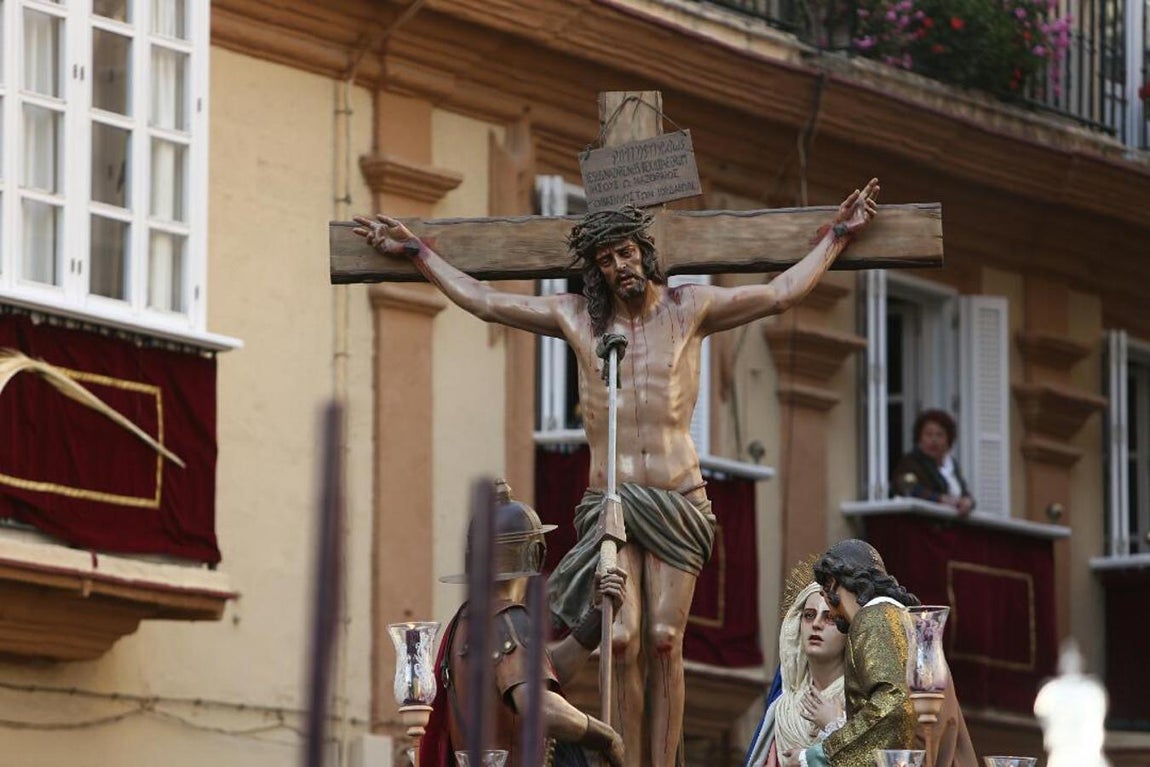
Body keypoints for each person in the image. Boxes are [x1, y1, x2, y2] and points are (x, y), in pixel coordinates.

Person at [355, 178, 880, 767]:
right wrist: (420, 255)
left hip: (679, 500)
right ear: (596, 271)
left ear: (644, 253)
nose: (618, 267)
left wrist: (836, 236)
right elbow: (486, 300)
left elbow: (781, 293)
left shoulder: (691, 309)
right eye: (605, 260)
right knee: (622, 639)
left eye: (626, 252)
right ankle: (626, 759)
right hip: (610, 501)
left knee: (663, 640)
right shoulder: (577, 319)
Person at [419, 480, 626, 767]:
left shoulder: (468, 621)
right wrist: (606, 736)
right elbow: (538, 704)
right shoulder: (508, 619)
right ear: (537, 553)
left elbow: (539, 674)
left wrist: (594, 623)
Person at [780, 539, 976, 767]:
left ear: (833, 583)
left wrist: (815, 757)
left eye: (824, 593)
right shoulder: (901, 621)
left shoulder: (874, 619)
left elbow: (895, 707)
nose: (828, 607)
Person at [744, 564, 847, 767]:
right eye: (809, 615)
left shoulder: (858, 701)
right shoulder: (782, 710)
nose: (816, 624)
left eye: (830, 617)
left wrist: (835, 728)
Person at [892, 409, 975, 516]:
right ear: (919, 438)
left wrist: (969, 502)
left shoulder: (952, 465)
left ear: (948, 440)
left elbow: (963, 493)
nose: (934, 440)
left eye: (940, 435)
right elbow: (905, 486)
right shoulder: (911, 462)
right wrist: (939, 499)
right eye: (928, 434)